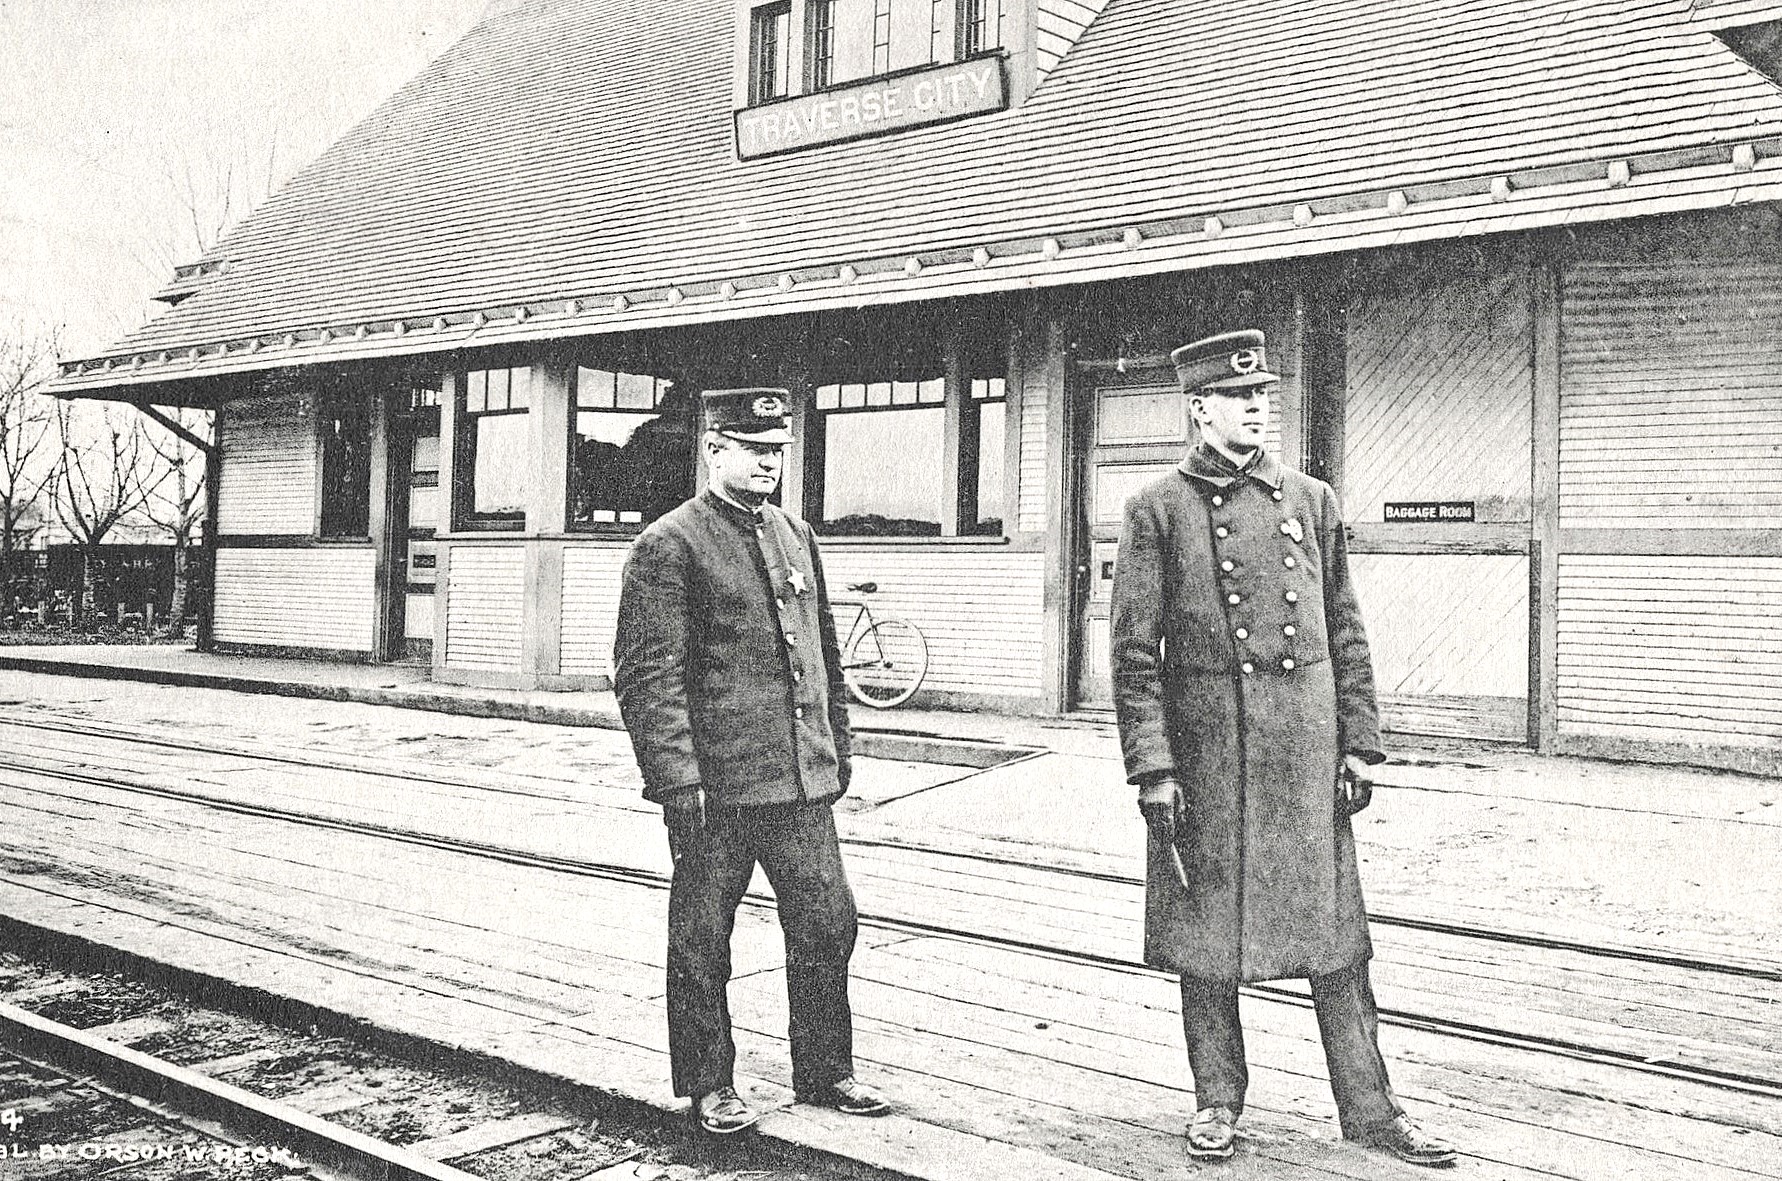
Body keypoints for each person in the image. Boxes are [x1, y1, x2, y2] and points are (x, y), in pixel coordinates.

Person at [1110, 331, 1456, 1168]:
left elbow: (1347, 629)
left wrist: (1361, 745)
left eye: (1263, 392)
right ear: (1199, 409)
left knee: (1338, 942)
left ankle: (1372, 1108)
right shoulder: (1157, 508)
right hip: (1209, 761)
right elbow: (1131, 655)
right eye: (1238, 396)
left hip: (1305, 757)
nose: (1256, 405)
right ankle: (1218, 1100)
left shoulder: (1311, 499)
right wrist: (1153, 766)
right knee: (1208, 941)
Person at [612, 387, 892, 1135]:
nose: (769, 462)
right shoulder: (669, 544)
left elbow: (824, 658)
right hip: (718, 790)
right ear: (713, 451)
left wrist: (839, 751)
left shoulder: (795, 533)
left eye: (776, 450)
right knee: (704, 938)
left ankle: (826, 1069)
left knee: (830, 923)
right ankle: (709, 1082)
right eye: (753, 448)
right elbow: (647, 678)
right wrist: (677, 779)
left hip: (801, 781)